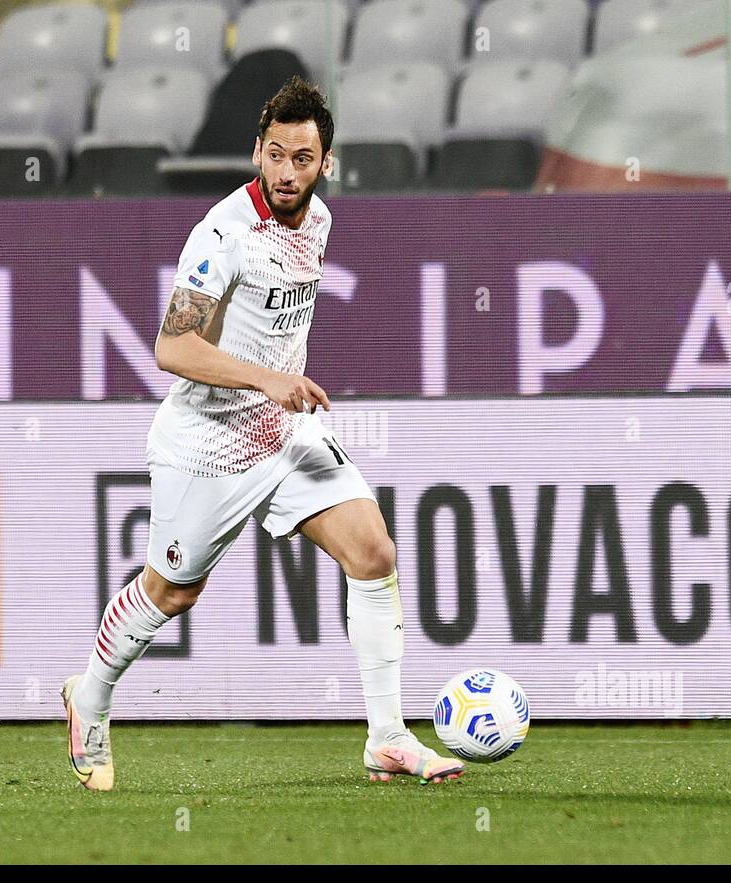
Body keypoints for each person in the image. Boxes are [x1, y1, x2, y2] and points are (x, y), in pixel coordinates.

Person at [61, 76, 464, 790]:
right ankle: (89, 693)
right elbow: (172, 349)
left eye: (302, 159)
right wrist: (267, 377)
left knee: (373, 552)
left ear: (325, 164)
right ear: (257, 152)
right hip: (207, 440)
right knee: (172, 591)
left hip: (283, 434)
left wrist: (279, 390)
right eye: (275, 155)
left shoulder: (320, 223)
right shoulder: (222, 234)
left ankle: (387, 737)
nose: (286, 172)